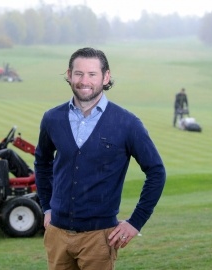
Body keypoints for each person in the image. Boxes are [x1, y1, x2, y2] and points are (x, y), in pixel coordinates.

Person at [34, 47, 166, 270]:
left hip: (100, 238)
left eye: (92, 74)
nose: (84, 81)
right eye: (78, 73)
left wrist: (135, 222)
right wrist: (47, 208)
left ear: (106, 77)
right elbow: (42, 162)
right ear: (69, 75)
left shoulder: (127, 123)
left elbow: (156, 172)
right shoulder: (52, 119)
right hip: (56, 234)